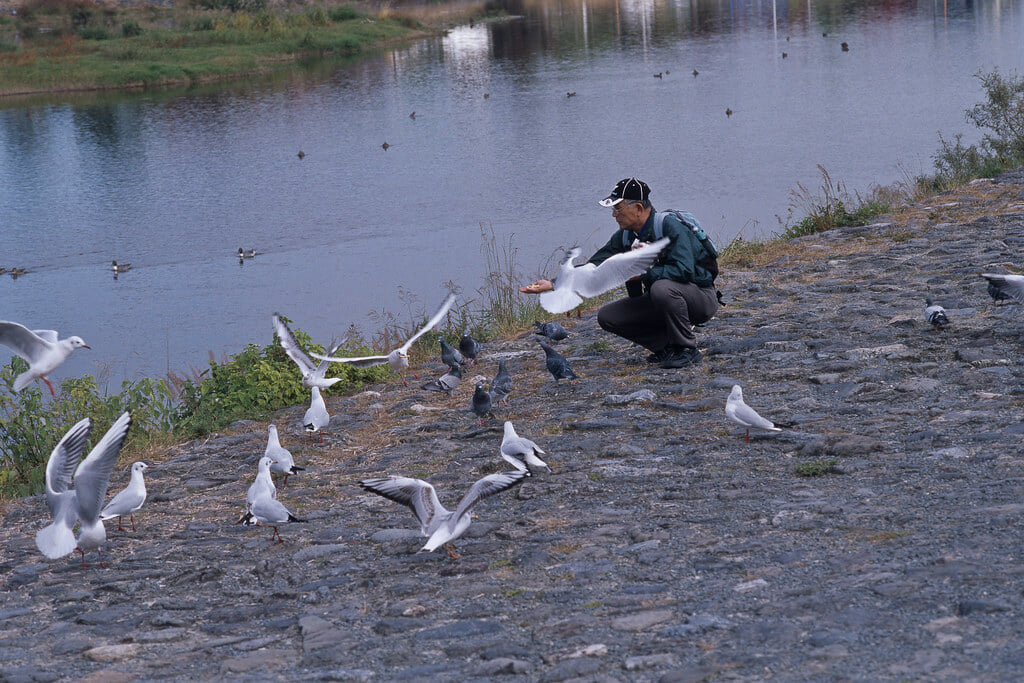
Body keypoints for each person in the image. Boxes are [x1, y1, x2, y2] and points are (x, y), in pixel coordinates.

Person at [520, 178, 718, 368]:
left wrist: (643, 274)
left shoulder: (669, 226)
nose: (614, 215)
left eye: (617, 208)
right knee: (608, 316)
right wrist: (554, 284)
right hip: (664, 300)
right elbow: (595, 265)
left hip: (700, 299)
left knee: (661, 289)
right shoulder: (625, 236)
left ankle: (687, 349)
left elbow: (684, 270)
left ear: (638, 209)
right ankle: (666, 348)